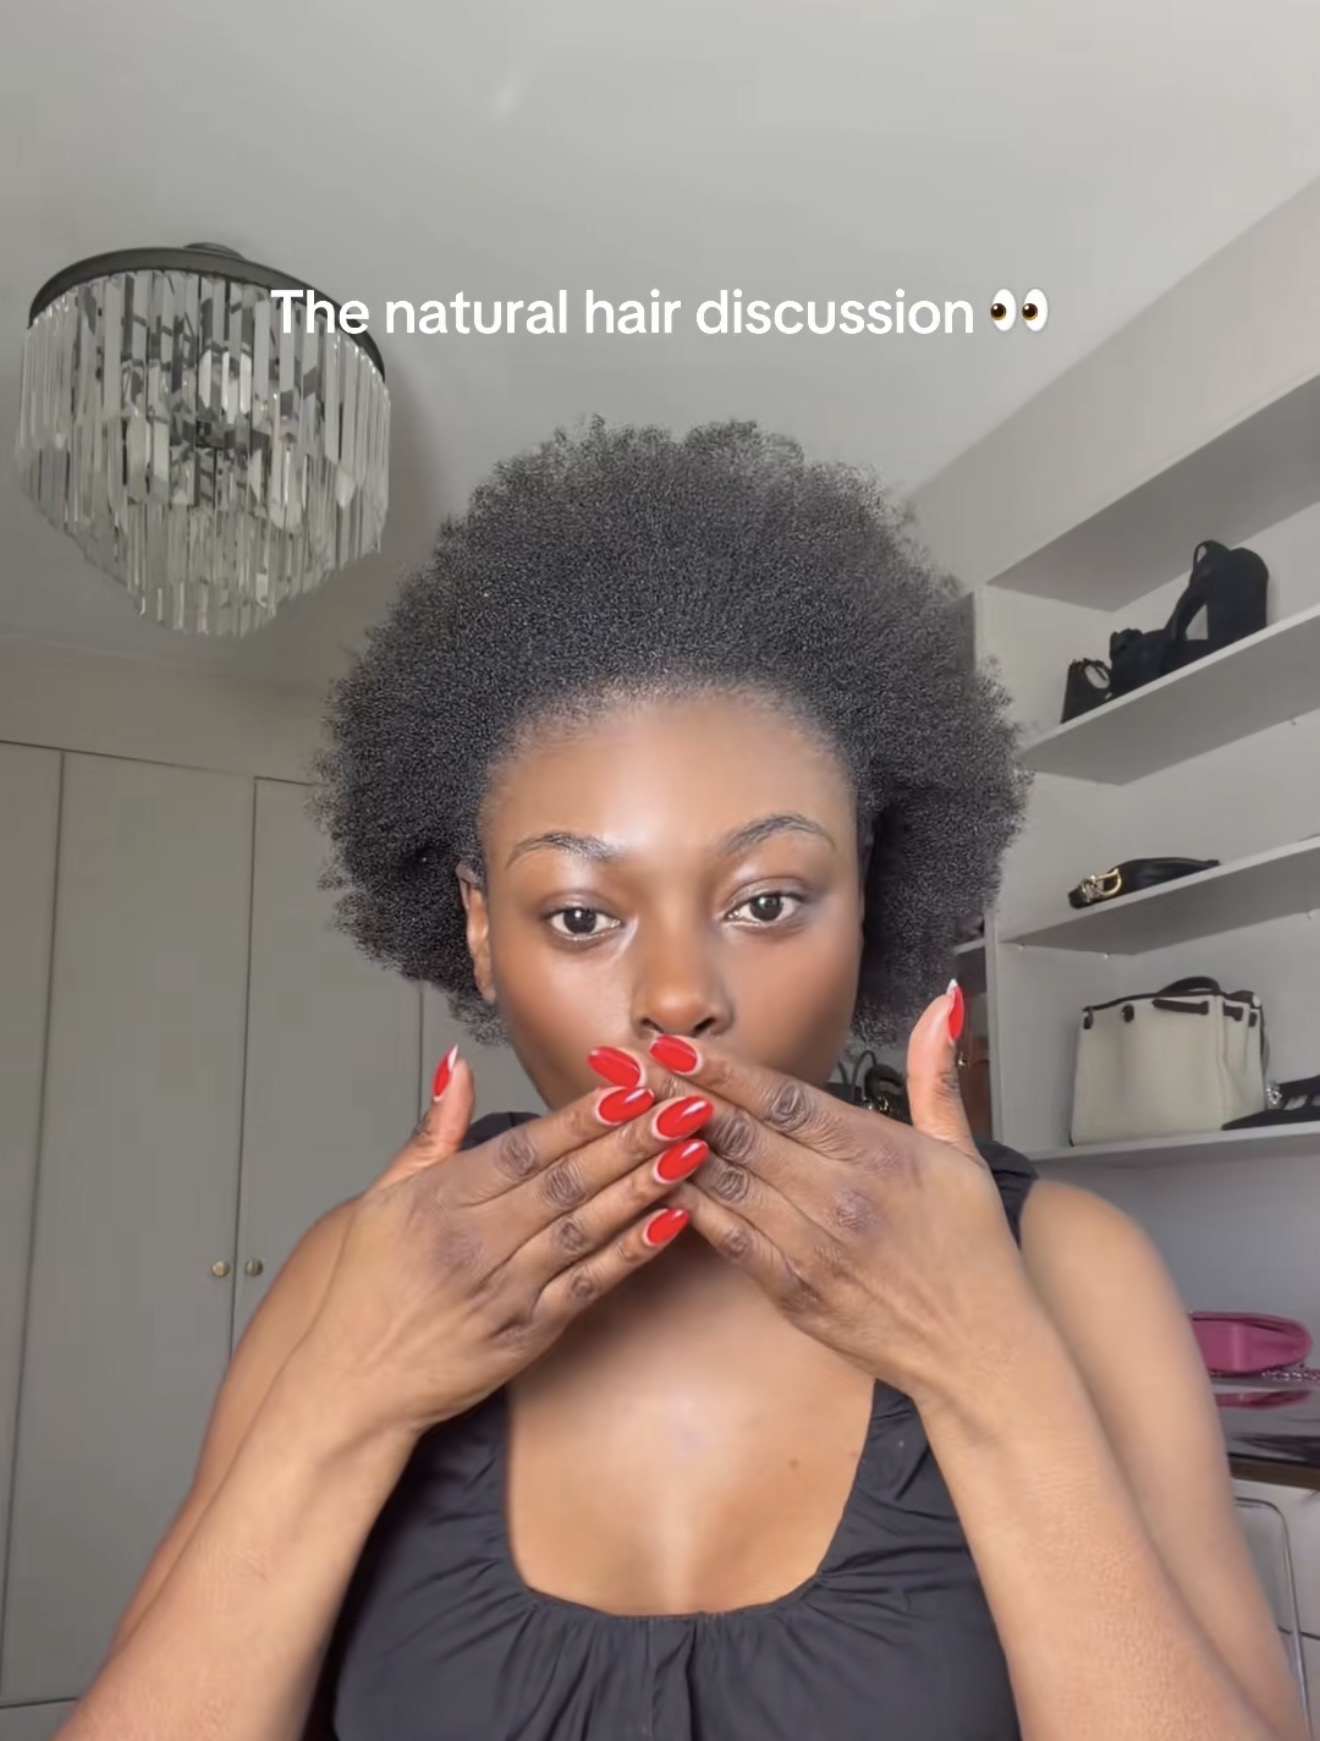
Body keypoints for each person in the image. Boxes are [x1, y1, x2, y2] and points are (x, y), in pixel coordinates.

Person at [65, 422, 1306, 1741]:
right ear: (481, 929)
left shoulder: (1072, 1267)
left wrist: (991, 1374)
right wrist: (344, 1405)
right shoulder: (356, 1274)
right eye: (581, 914)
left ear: (869, 898)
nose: (676, 995)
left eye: (767, 899)